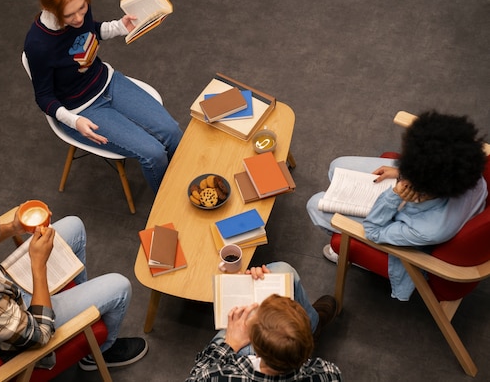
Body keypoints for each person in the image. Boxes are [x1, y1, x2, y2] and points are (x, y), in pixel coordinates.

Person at [0, 201, 147, 372]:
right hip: (18, 319)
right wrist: (39, 265)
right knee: (120, 286)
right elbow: (40, 334)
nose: (3, 226)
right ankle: (98, 352)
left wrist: (15, 227)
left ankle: (88, 308)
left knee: (73, 225)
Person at [23, 0, 183, 193]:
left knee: (173, 133)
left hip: (107, 82)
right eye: (69, 15)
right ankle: (169, 204)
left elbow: (91, 31)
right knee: (154, 153)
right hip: (80, 110)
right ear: (48, 7)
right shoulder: (38, 45)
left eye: (82, 8)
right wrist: (73, 121)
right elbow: (44, 97)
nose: (79, 18)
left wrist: (120, 26)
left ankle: (185, 185)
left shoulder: (79, 10)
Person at [306, 110, 487, 301]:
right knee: (337, 167)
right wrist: (404, 171)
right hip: (426, 183)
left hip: (403, 220)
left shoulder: (430, 229)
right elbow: (439, 165)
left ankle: (353, 253)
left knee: (315, 204)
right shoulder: (469, 172)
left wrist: (393, 196)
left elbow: (373, 232)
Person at [186, 262, 342, 381]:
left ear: (256, 349)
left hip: (232, 355)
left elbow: (196, 376)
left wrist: (230, 344)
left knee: (226, 333)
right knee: (284, 269)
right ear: (308, 346)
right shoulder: (328, 374)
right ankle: (314, 325)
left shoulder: (218, 376)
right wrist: (273, 281)